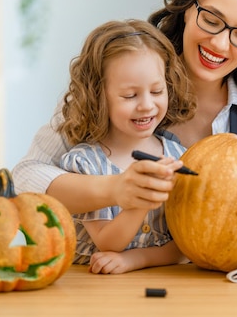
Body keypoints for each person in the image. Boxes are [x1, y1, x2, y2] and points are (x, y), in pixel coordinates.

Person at [12, 0, 237, 217]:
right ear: (188, 7)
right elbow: (26, 176)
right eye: (211, 20)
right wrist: (114, 188)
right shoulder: (122, 77)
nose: (220, 44)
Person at [57, 19, 195, 274]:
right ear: (99, 96)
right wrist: (143, 197)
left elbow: (184, 247)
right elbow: (108, 243)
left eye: (156, 91)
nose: (146, 105)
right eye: (130, 96)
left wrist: (137, 260)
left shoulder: (180, 157)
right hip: (95, 291)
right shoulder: (85, 164)